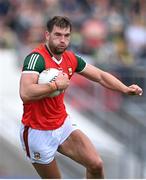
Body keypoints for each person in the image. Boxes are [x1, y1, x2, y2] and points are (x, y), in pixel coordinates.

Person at [19, 16, 143, 179]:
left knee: (96, 164)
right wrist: (55, 85)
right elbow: (25, 93)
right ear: (47, 35)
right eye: (57, 35)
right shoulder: (36, 59)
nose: (62, 40)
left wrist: (125, 89)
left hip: (62, 125)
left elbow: (99, 76)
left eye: (66, 35)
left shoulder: (70, 58)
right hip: (37, 131)